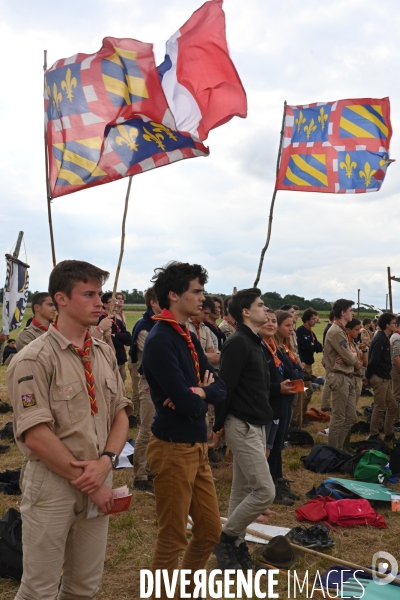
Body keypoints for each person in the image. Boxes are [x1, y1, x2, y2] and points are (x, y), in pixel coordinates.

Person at [6, 259, 132, 600]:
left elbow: (121, 412)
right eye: (89, 294)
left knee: (84, 586)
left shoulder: (103, 352)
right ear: (60, 299)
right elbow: (36, 433)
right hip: (53, 484)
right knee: (40, 588)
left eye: (100, 294)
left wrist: (106, 462)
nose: (99, 303)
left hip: (99, 474)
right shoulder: (34, 358)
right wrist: (90, 482)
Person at [141, 261, 226, 599]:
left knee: (209, 531)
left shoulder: (186, 334)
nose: (202, 298)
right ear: (174, 295)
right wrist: (195, 395)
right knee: (173, 536)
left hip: (196, 444)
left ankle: (186, 590)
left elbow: (218, 388)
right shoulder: (161, 339)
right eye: (197, 291)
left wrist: (200, 391)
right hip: (173, 447)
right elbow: (187, 404)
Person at [213, 288, 275, 571]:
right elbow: (225, 386)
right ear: (246, 312)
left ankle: (236, 548)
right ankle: (225, 539)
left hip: (255, 423)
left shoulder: (255, 342)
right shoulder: (238, 342)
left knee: (241, 491)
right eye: (261, 305)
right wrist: (217, 426)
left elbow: (255, 386)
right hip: (242, 425)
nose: (266, 309)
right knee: (264, 491)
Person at [259, 310, 297, 506]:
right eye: (268, 321)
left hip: (281, 400)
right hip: (271, 403)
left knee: (275, 446)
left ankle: (277, 481)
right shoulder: (261, 347)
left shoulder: (274, 347)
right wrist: (278, 387)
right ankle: (270, 488)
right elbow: (260, 382)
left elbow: (295, 370)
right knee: (268, 449)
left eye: (275, 321)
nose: (272, 324)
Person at [269, 310, 303, 503]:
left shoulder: (285, 346)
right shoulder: (276, 349)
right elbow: (292, 372)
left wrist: (297, 371)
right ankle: (273, 484)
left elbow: (298, 371)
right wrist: (296, 371)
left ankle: (279, 479)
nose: (291, 329)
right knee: (273, 444)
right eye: (287, 326)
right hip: (279, 399)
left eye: (292, 325)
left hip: (288, 399)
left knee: (280, 442)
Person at [130, 287, 161, 492]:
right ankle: (140, 475)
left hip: (161, 382)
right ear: (153, 302)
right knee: (147, 428)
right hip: (149, 382)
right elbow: (155, 356)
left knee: (158, 429)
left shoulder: (158, 324)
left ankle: (152, 469)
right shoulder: (144, 327)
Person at [323, 299, 362, 449]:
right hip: (339, 376)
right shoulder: (336, 331)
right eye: (350, 310)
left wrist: (350, 359)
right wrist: (356, 362)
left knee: (351, 417)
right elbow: (347, 355)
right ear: (342, 313)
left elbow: (347, 355)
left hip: (347, 376)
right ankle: (334, 450)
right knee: (339, 416)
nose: (352, 312)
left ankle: (339, 447)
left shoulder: (341, 330)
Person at [366, 312, 398, 443]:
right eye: (393, 323)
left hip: (385, 377)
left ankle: (388, 433)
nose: (395, 325)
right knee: (379, 407)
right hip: (379, 378)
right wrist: (368, 376)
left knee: (393, 406)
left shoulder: (384, 337)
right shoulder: (380, 339)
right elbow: (373, 360)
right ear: (387, 325)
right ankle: (373, 435)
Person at [294, 308, 323, 422]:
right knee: (306, 392)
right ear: (306, 320)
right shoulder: (301, 331)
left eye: (315, 319)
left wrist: (313, 345)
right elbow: (308, 347)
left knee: (307, 392)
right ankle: (297, 418)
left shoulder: (310, 331)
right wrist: (312, 345)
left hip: (309, 364)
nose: (315, 321)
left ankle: (302, 415)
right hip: (303, 365)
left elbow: (319, 347)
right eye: (313, 319)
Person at [99, 292, 132, 382]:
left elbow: (129, 339)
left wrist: (116, 335)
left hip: (120, 358)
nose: (115, 303)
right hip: (109, 360)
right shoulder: (101, 321)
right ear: (105, 305)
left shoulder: (117, 321)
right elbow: (105, 340)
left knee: (122, 381)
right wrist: (120, 339)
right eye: (112, 301)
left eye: (116, 301)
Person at [187, 298, 219, 366]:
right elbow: (186, 355)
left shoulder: (205, 329)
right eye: (205, 313)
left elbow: (215, 358)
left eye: (209, 314)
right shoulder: (185, 325)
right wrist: (206, 355)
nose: (207, 317)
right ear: (199, 308)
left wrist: (198, 354)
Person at [345, 318, 368, 405]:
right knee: (348, 408)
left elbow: (365, 364)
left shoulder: (354, 343)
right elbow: (358, 364)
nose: (359, 332)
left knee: (353, 408)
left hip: (358, 378)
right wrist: (359, 361)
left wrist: (365, 349)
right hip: (352, 378)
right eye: (356, 329)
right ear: (348, 330)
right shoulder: (346, 345)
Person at [321, 310, 335, 412]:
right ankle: (325, 405)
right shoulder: (330, 329)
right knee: (328, 383)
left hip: (329, 358)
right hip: (329, 359)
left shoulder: (329, 328)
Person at [390, 316, 400, 423]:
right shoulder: (397, 337)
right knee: (397, 395)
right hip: (397, 369)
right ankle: (396, 419)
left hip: (395, 368)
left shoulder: (396, 336)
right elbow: (396, 356)